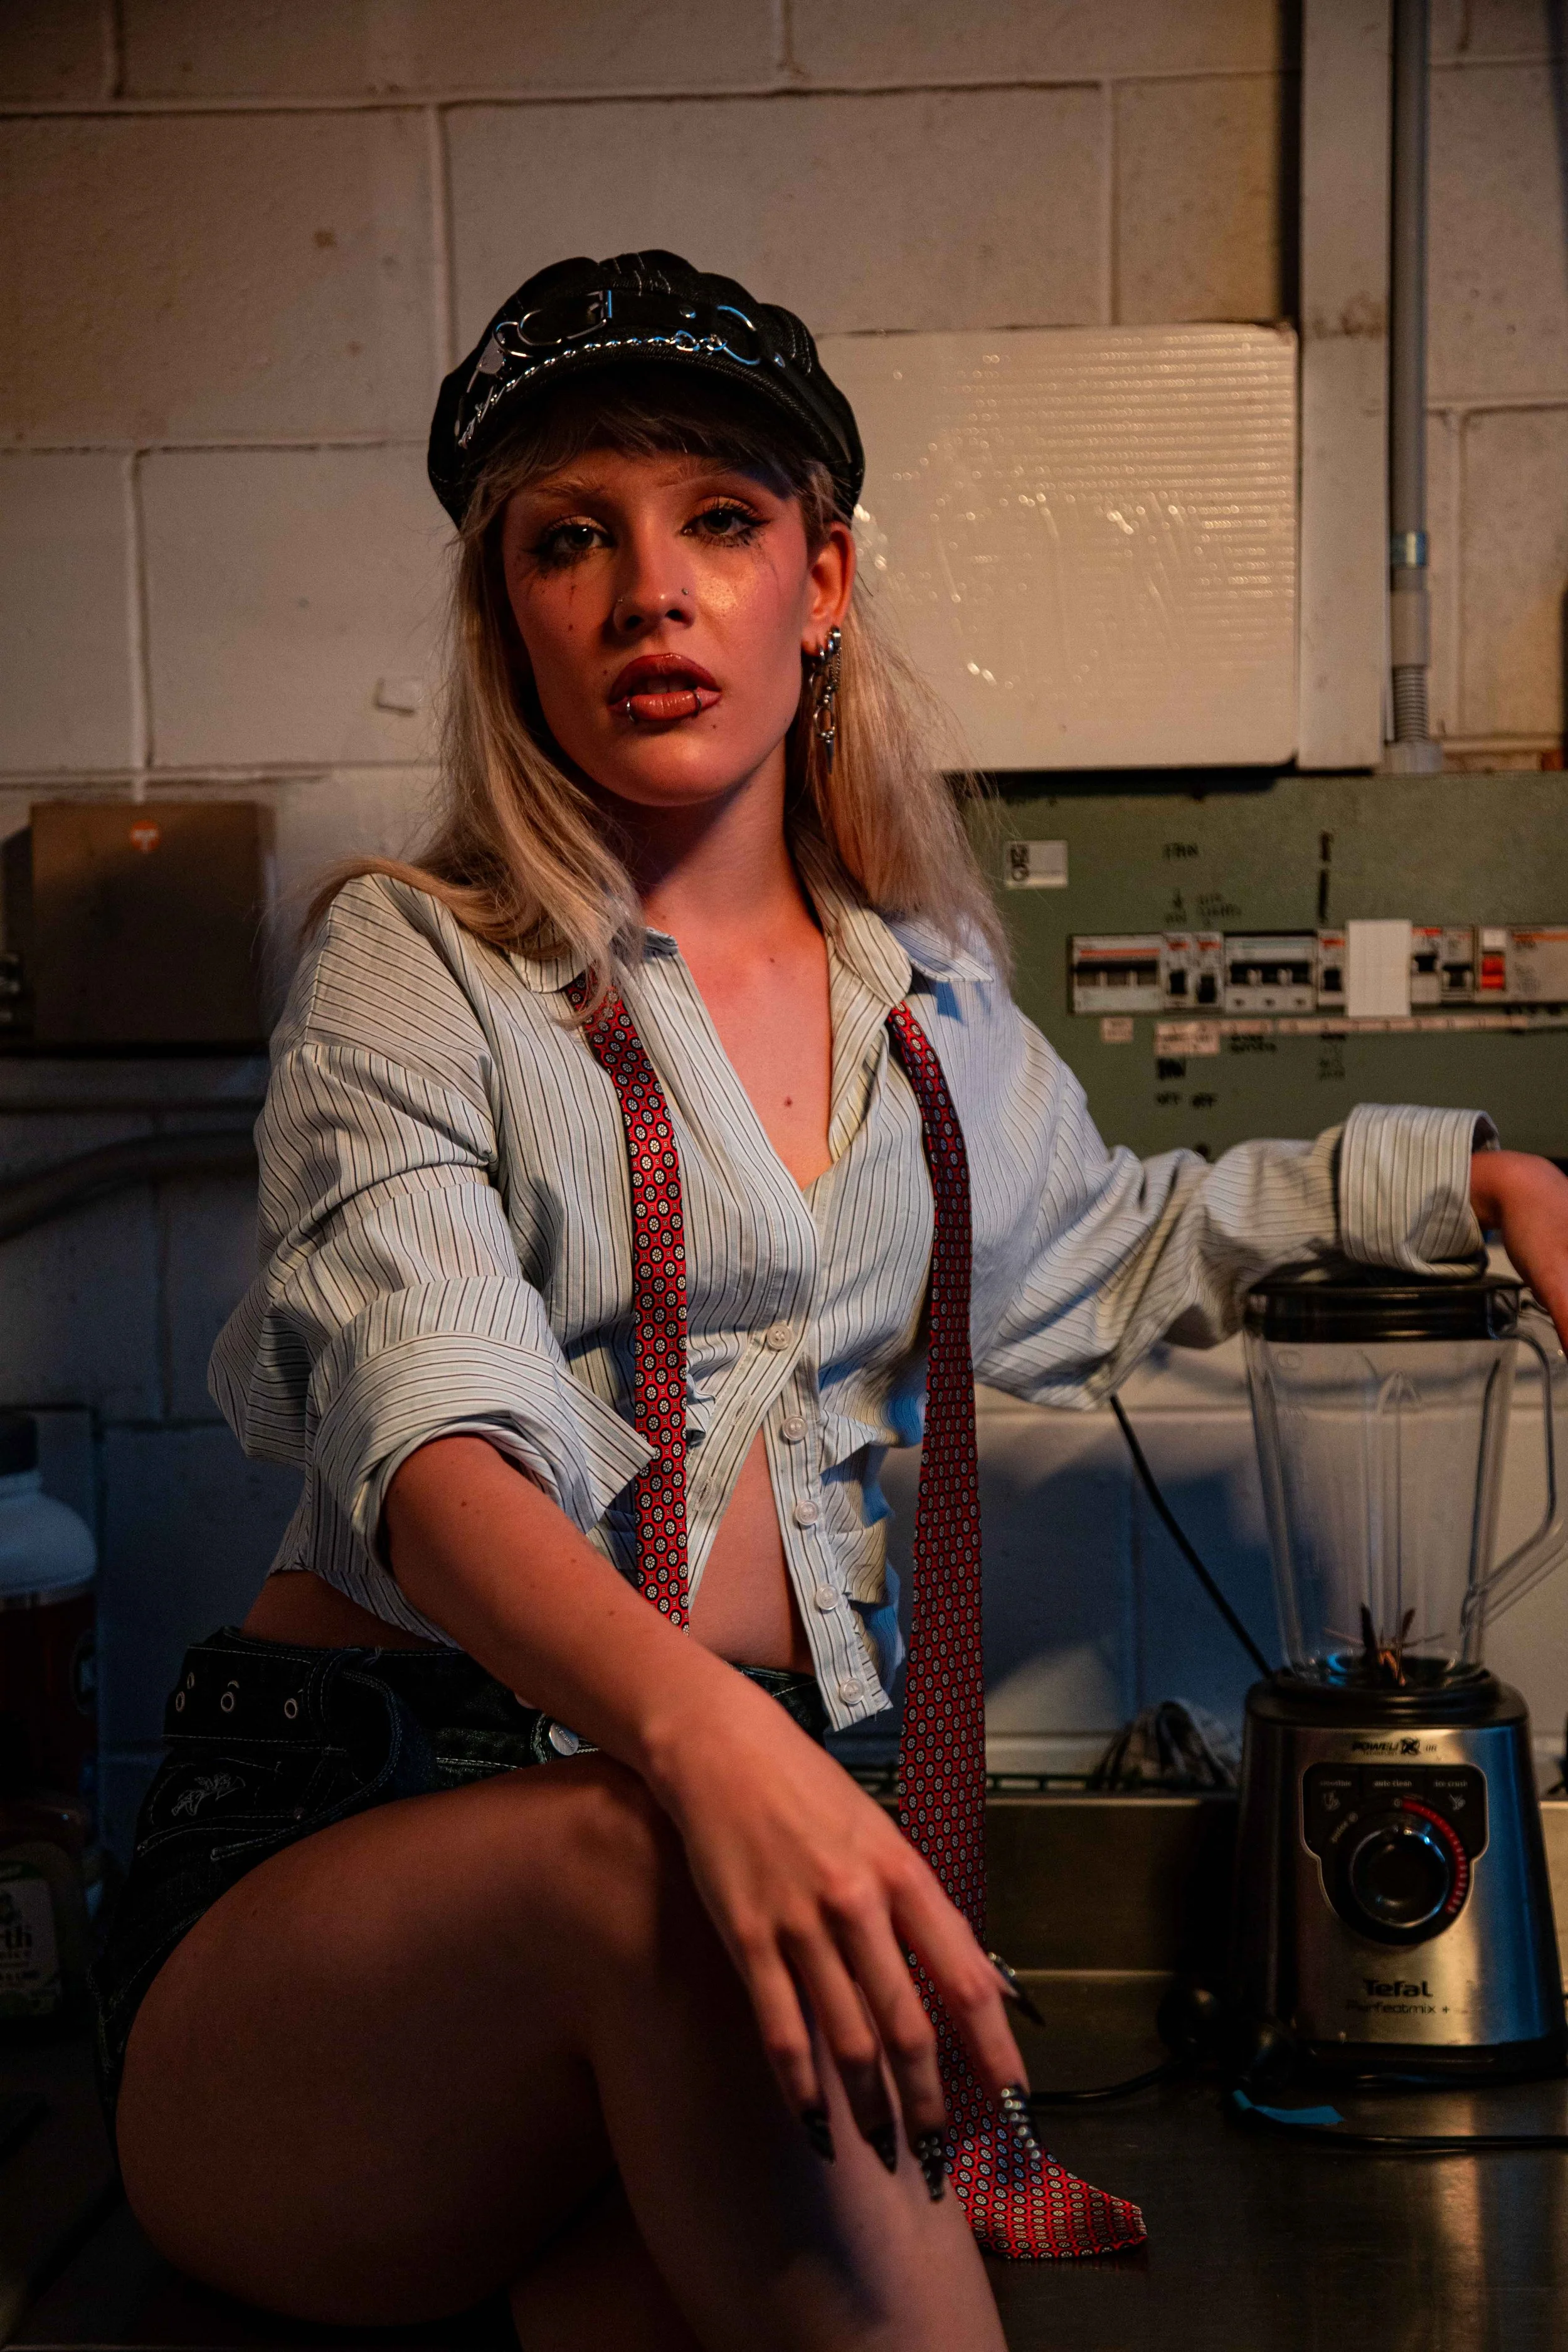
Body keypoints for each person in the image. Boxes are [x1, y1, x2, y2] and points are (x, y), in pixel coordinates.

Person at [92, 252, 1568, 2351]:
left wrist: (1472, 1179)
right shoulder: (410, 968)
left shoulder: (935, 1010)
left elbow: (1125, 1236)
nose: (646, 591)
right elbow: (435, 1436)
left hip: (721, 1887)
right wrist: (713, 1746)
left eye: (717, 521)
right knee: (651, 1863)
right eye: (567, 538)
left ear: (824, 579)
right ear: (506, 608)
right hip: (353, 1900)